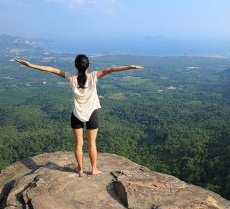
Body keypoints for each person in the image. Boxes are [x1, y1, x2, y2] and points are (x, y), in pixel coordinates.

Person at [14, 54, 144, 177]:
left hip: (76, 114)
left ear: (76, 66)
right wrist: (130, 67)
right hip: (92, 113)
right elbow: (112, 69)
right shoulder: (94, 76)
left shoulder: (71, 77)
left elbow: (52, 70)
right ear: (89, 65)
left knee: (78, 144)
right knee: (92, 144)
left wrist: (30, 65)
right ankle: (93, 169)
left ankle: (80, 169)